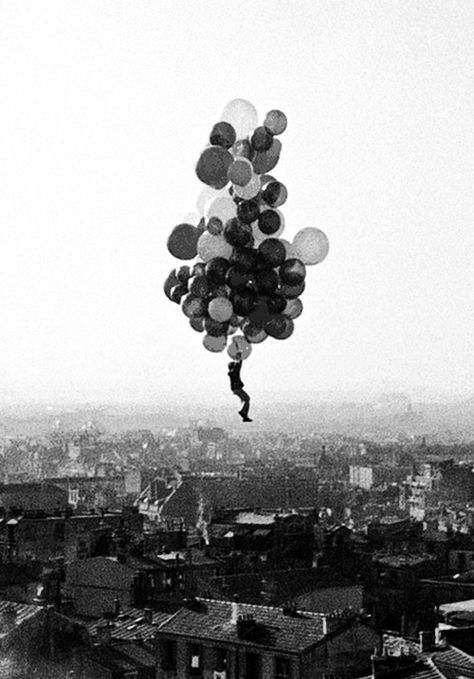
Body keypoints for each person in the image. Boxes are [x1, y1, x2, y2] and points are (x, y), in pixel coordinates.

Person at [228, 352, 252, 422]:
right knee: (247, 399)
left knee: (244, 400)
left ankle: (245, 416)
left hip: (234, 389)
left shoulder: (231, 372)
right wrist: (240, 357)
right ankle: (242, 411)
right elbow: (239, 364)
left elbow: (238, 365)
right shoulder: (235, 371)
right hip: (237, 388)